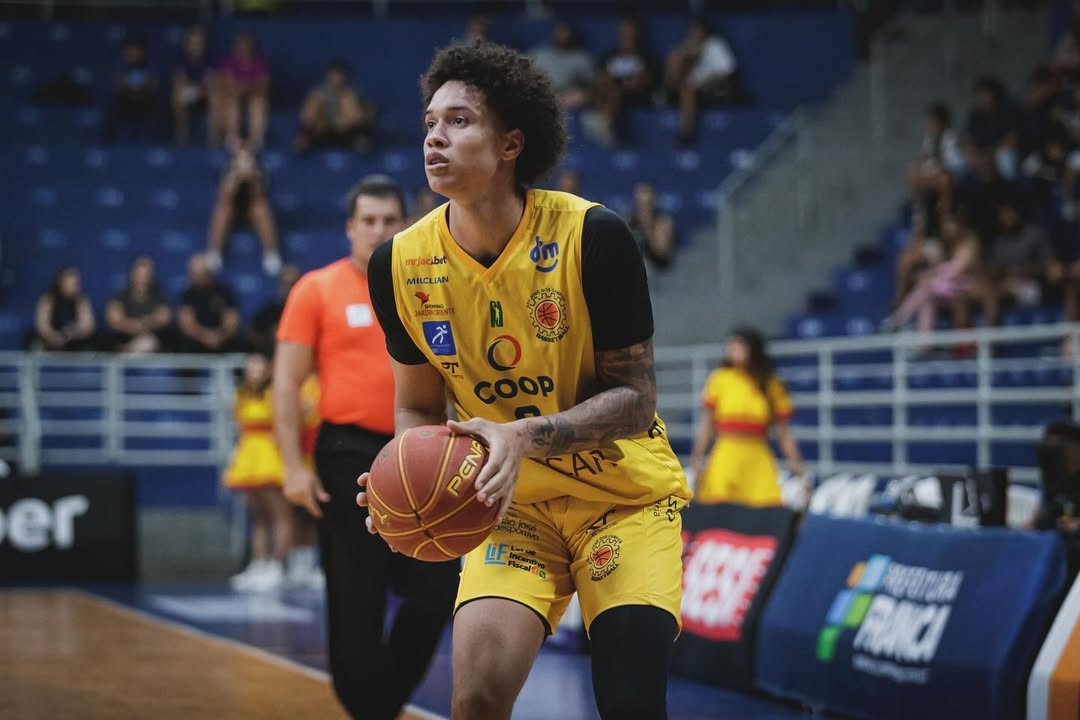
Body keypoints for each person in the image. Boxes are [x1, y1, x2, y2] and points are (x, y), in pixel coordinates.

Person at [359, 43, 691, 720]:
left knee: (630, 702)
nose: (434, 137)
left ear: (511, 144)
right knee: (477, 698)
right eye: (429, 122)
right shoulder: (398, 265)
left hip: (622, 499)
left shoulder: (593, 235)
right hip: (507, 506)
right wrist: (407, 480)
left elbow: (636, 401)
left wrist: (523, 437)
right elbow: (417, 405)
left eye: (459, 121)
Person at [273, 176, 458, 719]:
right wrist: (292, 467)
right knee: (357, 593)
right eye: (368, 221)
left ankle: (376, 706)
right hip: (347, 452)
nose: (378, 230)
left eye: (389, 220)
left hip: (420, 451)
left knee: (439, 586)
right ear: (350, 227)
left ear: (405, 225)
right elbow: (286, 382)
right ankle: (367, 707)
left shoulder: (427, 286)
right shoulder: (316, 289)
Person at [689, 327, 805, 507]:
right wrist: (696, 460)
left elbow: (784, 434)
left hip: (757, 456)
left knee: (766, 509)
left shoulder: (771, 383)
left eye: (738, 345)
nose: (732, 350)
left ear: (753, 348)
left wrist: (799, 470)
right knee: (719, 509)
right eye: (730, 346)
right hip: (726, 453)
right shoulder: (720, 379)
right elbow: (707, 427)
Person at [224, 351, 291, 592]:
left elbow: (284, 425)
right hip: (248, 456)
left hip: (270, 455)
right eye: (250, 366)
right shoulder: (241, 395)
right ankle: (258, 565)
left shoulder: (275, 394)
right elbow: (239, 426)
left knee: (279, 515)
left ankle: (277, 566)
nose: (253, 371)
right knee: (258, 516)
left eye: (258, 366)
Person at [206, 141, 282, 276]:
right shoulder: (227, 168)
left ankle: (271, 254)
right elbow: (225, 195)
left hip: (252, 211)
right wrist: (237, 177)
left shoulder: (262, 168)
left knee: (261, 207)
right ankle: (214, 252)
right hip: (232, 210)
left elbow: (260, 195)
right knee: (223, 208)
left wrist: (252, 179)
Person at [664, 18, 742, 144]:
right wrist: (678, 60)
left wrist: (704, 81)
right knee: (685, 85)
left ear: (704, 31)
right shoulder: (685, 47)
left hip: (717, 87)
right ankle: (684, 129)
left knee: (688, 90)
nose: (694, 34)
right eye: (692, 31)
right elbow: (674, 79)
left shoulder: (715, 45)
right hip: (691, 88)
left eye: (697, 30)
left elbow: (727, 71)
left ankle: (686, 132)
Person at [294, 61, 376, 153]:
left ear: (345, 78)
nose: (337, 80)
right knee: (305, 130)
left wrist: (349, 122)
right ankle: (302, 144)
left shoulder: (352, 94)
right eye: (334, 76)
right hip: (323, 129)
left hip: (345, 129)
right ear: (328, 76)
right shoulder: (317, 94)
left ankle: (361, 143)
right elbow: (308, 114)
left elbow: (357, 114)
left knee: (361, 130)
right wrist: (315, 122)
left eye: (340, 77)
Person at [177, 253, 243, 353]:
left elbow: (232, 319)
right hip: (196, 341)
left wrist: (219, 336)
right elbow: (187, 323)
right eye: (194, 273)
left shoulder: (223, 291)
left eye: (201, 274)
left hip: (223, 339)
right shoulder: (187, 294)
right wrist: (205, 336)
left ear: (208, 272)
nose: (197, 277)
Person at [105, 255, 173, 353]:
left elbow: (163, 319)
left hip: (152, 346)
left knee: (148, 342)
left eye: (146, 274)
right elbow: (113, 320)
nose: (142, 278)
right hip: (123, 340)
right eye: (139, 273)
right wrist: (135, 326)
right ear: (132, 273)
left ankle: (126, 354)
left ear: (152, 275)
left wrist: (140, 325)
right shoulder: (120, 295)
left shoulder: (160, 296)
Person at [530, 21, 595, 111]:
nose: (561, 35)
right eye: (559, 31)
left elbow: (590, 85)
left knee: (580, 95)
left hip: (566, 96)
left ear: (572, 34)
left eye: (565, 31)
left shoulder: (581, 57)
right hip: (541, 92)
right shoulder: (540, 52)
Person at [103, 37, 158, 143]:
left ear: (141, 51)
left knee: (158, 103)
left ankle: (158, 140)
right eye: (130, 50)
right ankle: (106, 141)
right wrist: (132, 89)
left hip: (145, 98)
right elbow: (118, 85)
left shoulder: (149, 64)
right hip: (126, 99)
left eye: (136, 50)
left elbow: (153, 85)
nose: (133, 53)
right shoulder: (121, 64)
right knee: (114, 103)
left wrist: (139, 90)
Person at [220, 32, 270, 149]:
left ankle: (256, 139)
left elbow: (263, 86)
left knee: (258, 102)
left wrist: (248, 88)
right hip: (234, 95)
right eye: (240, 47)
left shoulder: (259, 62)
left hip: (254, 95)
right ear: (236, 48)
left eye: (246, 47)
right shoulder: (230, 62)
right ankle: (232, 138)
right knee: (231, 102)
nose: (243, 50)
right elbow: (227, 84)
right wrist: (240, 89)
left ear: (251, 48)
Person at [172, 25, 218, 146]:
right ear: (187, 43)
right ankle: (182, 135)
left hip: (206, 92)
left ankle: (213, 138)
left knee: (215, 96)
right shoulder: (181, 57)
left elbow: (211, 81)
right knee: (178, 97)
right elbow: (179, 80)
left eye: (199, 42)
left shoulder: (210, 57)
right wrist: (193, 89)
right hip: (190, 92)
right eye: (193, 42)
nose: (196, 45)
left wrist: (200, 89)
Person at [30, 266, 96, 351]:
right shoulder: (49, 298)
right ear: (60, 282)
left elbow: (88, 326)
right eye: (72, 282)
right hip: (51, 339)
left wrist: (73, 332)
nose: (76, 285)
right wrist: (54, 337)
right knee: (35, 341)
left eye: (77, 282)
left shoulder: (81, 299)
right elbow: (42, 326)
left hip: (74, 340)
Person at [249, 263, 301, 353]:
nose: (288, 289)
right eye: (285, 284)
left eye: (292, 284)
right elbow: (254, 332)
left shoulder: (306, 312)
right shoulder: (270, 310)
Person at [626, 181, 675, 270]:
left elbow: (661, 252)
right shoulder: (629, 219)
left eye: (647, 193)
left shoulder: (662, 221)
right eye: (640, 194)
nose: (643, 199)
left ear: (654, 198)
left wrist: (647, 224)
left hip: (658, 269)